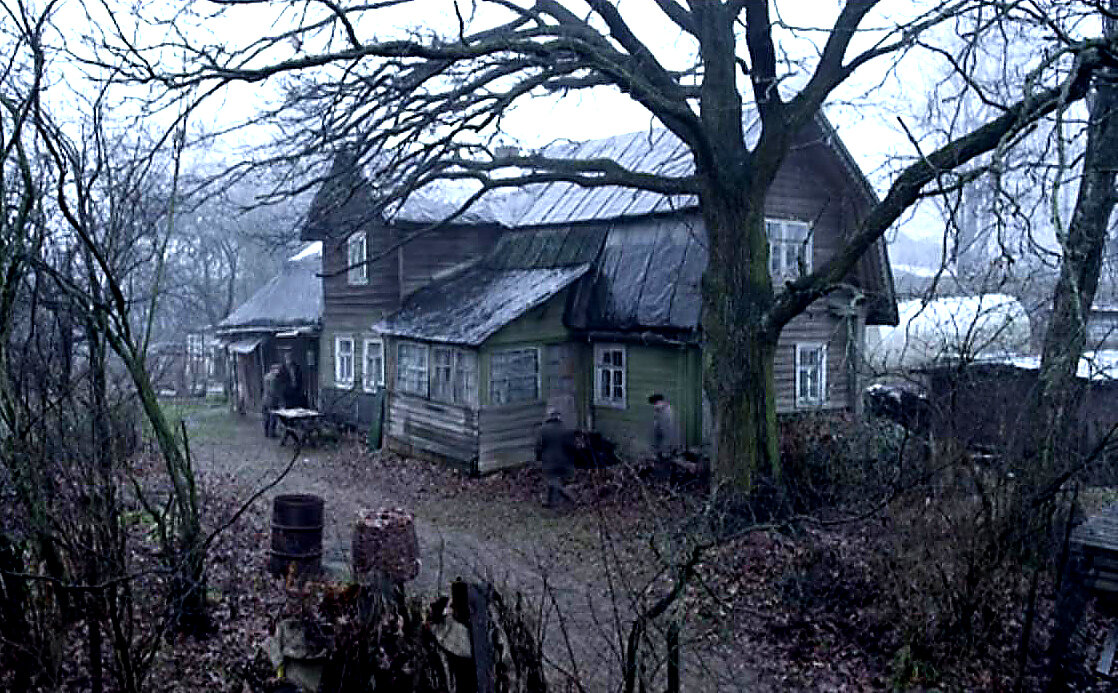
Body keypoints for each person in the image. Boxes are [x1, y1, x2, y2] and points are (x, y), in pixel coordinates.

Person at [535, 407, 576, 508]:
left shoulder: (542, 430)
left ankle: (569, 496)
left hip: (549, 461)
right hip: (564, 461)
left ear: (548, 416)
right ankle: (550, 502)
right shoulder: (565, 429)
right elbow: (572, 447)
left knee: (552, 481)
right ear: (558, 417)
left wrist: (538, 459)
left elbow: (539, 447)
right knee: (557, 481)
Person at [649, 393, 677, 478]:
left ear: (660, 402)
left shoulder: (667, 412)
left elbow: (668, 432)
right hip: (660, 446)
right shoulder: (658, 411)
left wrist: (665, 449)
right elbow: (656, 430)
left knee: (666, 465)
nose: (654, 406)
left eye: (655, 404)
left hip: (666, 446)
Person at [262, 363, 283, 438]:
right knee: (273, 417)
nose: (279, 371)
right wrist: (279, 398)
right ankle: (272, 433)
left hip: (265, 399)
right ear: (273, 370)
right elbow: (273, 390)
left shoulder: (266, 376)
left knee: (266, 417)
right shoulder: (274, 378)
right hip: (272, 400)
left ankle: (266, 432)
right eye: (278, 369)